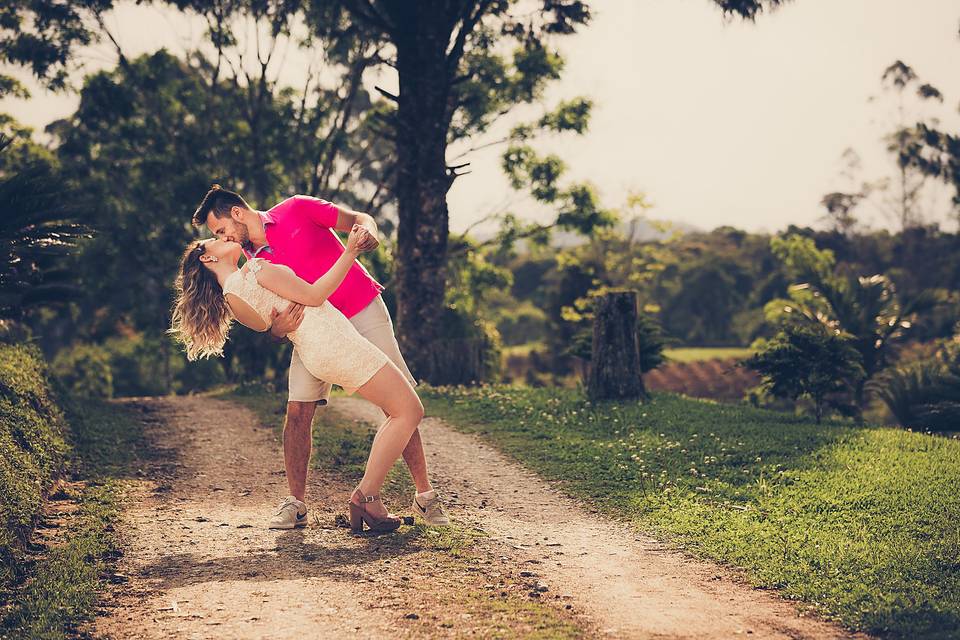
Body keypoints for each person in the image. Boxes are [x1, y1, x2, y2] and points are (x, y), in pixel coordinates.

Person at [189, 184, 448, 529]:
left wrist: (366, 233)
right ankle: (296, 503)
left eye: (220, 230)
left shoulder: (296, 208)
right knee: (298, 408)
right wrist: (277, 330)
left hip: (360, 308)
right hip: (318, 333)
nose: (223, 236)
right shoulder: (249, 265)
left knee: (397, 402)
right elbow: (271, 320)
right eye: (217, 236)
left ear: (236, 213)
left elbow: (359, 218)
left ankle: (425, 496)